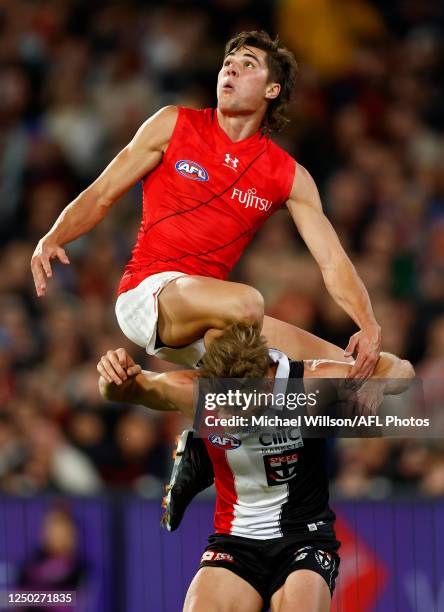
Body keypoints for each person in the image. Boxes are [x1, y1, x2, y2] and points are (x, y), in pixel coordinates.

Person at [31, 30, 381, 377]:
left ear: (272, 90)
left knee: (376, 372)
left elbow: (333, 261)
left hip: (217, 317)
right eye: (227, 64)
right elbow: (101, 192)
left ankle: (226, 419)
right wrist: (54, 236)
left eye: (247, 64)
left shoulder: (289, 176)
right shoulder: (174, 124)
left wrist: (368, 325)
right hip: (149, 293)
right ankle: (232, 408)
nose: (231, 70)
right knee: (248, 303)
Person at [97, 324, 414, 612]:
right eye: (225, 405)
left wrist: (380, 384)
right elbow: (116, 390)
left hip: (304, 538)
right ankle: (201, 455)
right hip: (235, 541)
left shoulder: (311, 383)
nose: (232, 416)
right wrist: (112, 372)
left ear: (266, 378)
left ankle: (201, 454)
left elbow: (403, 371)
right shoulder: (194, 390)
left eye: (241, 406)